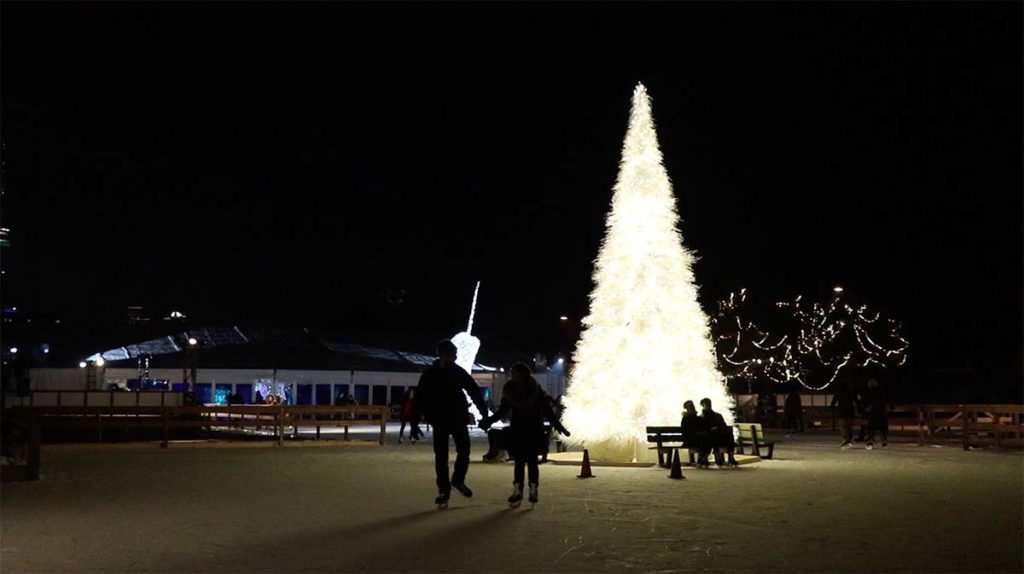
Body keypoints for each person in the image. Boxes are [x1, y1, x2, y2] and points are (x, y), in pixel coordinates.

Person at [479, 362, 570, 506]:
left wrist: (560, 427)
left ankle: (526, 489)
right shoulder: (520, 390)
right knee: (524, 461)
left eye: (513, 373)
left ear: (519, 375)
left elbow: (547, 411)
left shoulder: (526, 390)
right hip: (526, 429)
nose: (511, 376)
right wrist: (488, 421)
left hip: (526, 429)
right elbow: (504, 411)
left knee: (525, 461)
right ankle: (523, 489)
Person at [415, 339, 489, 507]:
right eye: (453, 354)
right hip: (440, 420)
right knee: (441, 456)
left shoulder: (457, 372)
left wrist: (484, 413)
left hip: (457, 418)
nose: (455, 357)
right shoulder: (430, 374)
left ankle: (457, 480)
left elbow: (473, 390)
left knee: (464, 450)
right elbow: (420, 398)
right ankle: (443, 490)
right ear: (443, 354)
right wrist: (414, 421)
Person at [698, 398, 738, 467]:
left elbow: (723, 426)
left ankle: (730, 457)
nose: (708, 405)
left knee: (729, 435)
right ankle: (717, 456)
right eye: (706, 404)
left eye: (709, 403)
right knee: (714, 435)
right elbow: (701, 429)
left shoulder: (717, 415)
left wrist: (719, 428)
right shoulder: (700, 418)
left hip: (718, 436)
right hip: (709, 438)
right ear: (702, 405)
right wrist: (711, 430)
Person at [831, 377, 860, 448]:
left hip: (842, 409)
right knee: (849, 425)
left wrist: (832, 406)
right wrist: (859, 407)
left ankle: (846, 439)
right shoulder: (851, 390)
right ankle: (849, 439)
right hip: (850, 409)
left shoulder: (839, 389)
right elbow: (856, 400)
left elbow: (835, 398)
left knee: (843, 425)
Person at [863, 378, 892, 449]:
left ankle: (870, 443)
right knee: (883, 429)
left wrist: (864, 409)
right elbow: (887, 400)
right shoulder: (882, 391)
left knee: (871, 429)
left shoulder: (870, 392)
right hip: (882, 412)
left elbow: (868, 401)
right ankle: (884, 443)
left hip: (874, 412)